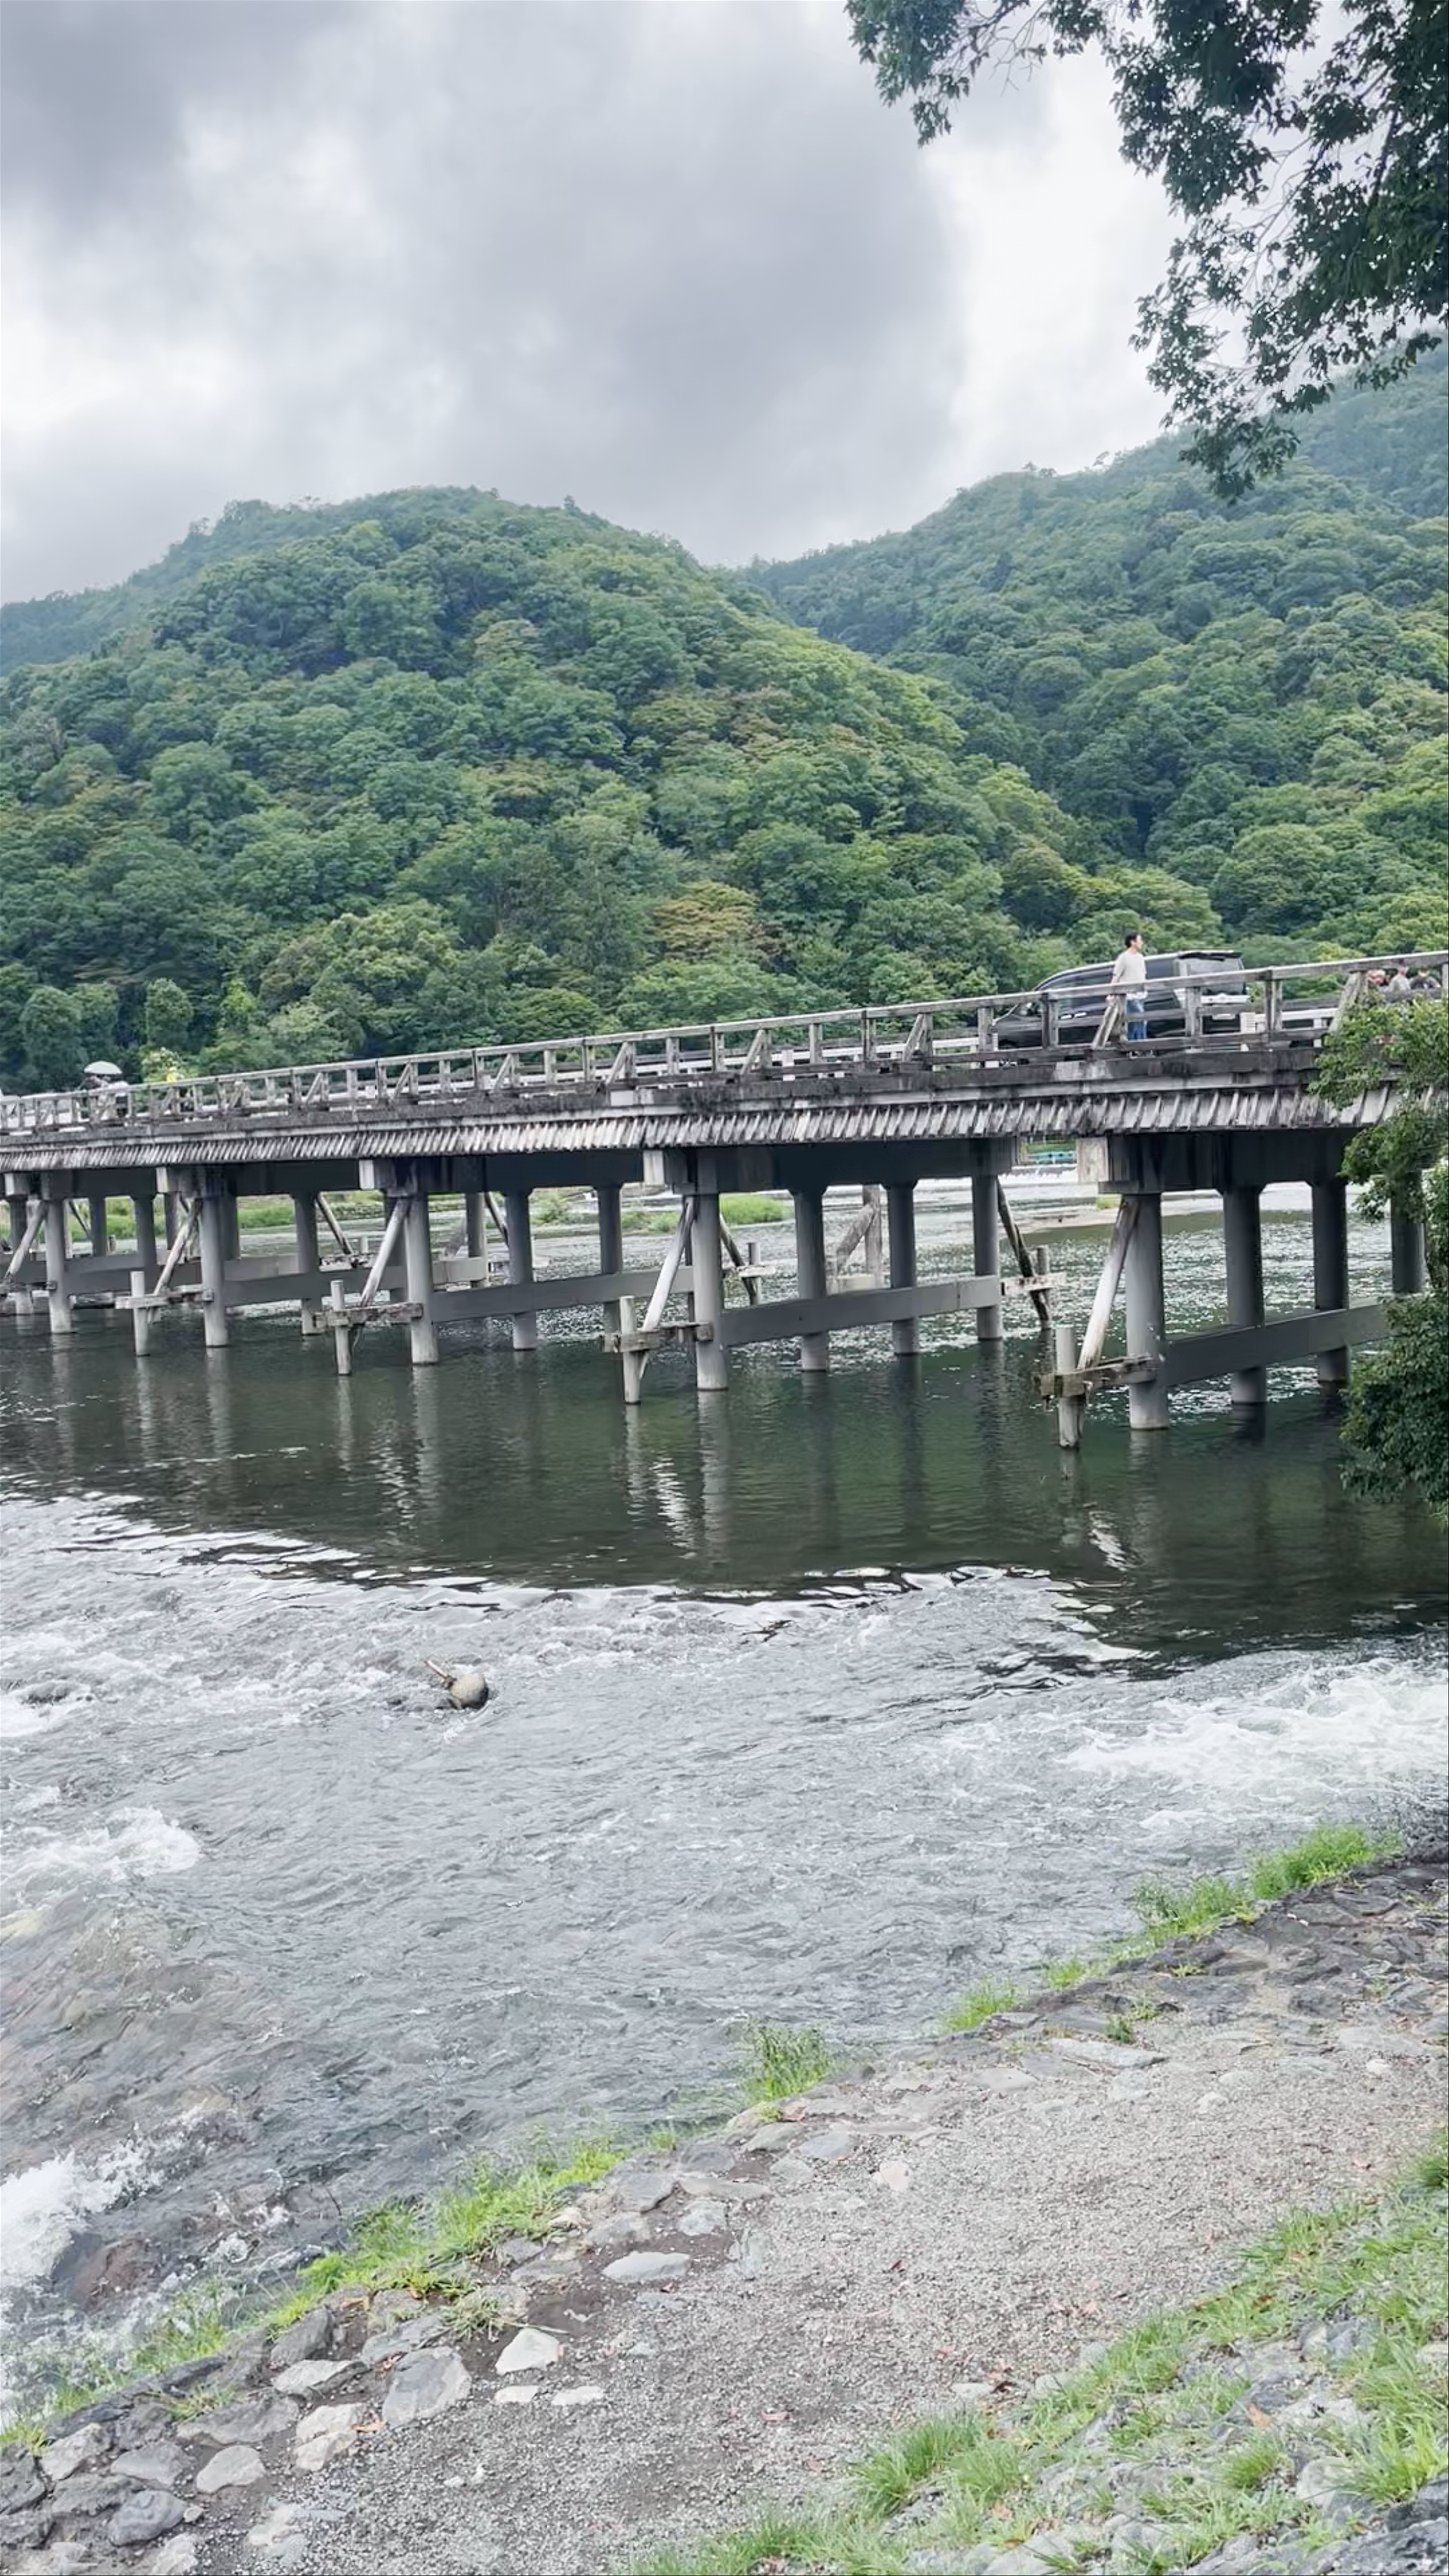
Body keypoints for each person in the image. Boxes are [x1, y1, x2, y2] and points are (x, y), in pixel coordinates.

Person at [1110, 930, 1148, 1041]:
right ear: (1133, 942)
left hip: (1141, 995)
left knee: (1137, 1022)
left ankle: (1135, 1047)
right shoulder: (1123, 958)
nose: (1142, 943)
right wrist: (1111, 993)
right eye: (1140, 940)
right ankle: (1141, 1047)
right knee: (1139, 1019)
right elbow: (1116, 976)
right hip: (1130, 996)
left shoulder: (1141, 957)